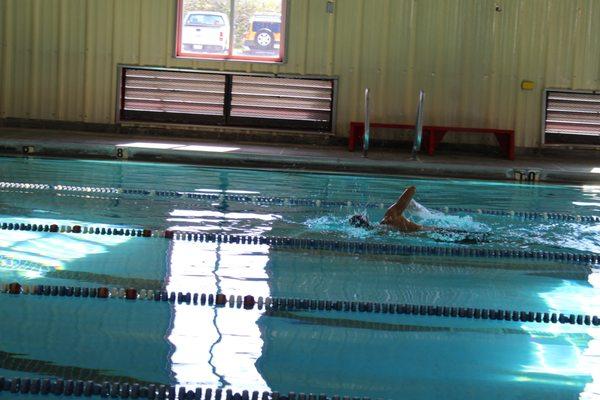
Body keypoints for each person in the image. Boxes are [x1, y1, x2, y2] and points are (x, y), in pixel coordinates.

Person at [349, 186, 488, 243]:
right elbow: (411, 189)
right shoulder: (390, 217)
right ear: (366, 218)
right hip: (438, 232)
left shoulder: (378, 234)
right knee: (481, 239)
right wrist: (412, 206)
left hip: (432, 239)